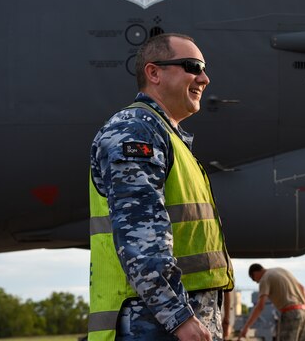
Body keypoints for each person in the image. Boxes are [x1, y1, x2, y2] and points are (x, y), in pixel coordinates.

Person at [89, 33, 234, 341]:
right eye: (192, 66)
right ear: (153, 73)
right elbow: (141, 237)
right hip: (152, 325)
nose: (204, 78)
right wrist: (179, 318)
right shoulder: (134, 131)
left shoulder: (168, 137)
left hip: (173, 323)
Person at [239, 264, 305, 341]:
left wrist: (246, 327)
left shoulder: (265, 278)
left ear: (255, 273)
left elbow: (260, 306)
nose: (257, 282)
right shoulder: (281, 270)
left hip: (290, 314)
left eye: (254, 279)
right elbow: (302, 288)